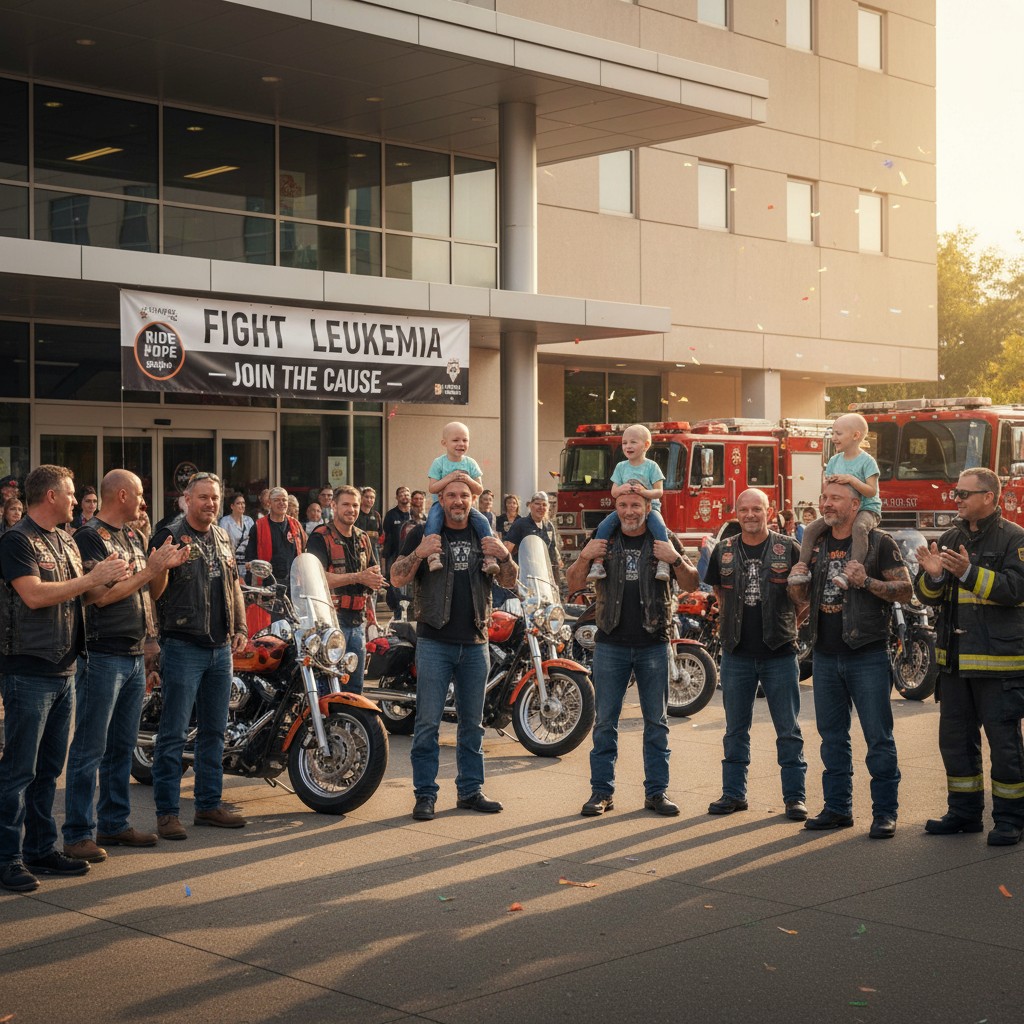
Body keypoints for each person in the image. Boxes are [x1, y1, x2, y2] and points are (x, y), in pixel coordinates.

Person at [0, 464, 130, 893]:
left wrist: (114, 576)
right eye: (71, 494)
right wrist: (91, 579)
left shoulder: (65, 541)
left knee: (47, 770)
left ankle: (40, 849)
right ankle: (7, 857)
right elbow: (34, 595)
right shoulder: (16, 540)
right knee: (18, 771)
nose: (78, 501)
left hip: (66, 668)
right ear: (51, 496)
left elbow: (89, 594)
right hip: (28, 671)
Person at [62, 470, 189, 863]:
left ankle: (114, 823)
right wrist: (149, 571)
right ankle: (78, 833)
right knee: (90, 747)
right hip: (102, 654)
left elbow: (154, 591)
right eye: (139, 494)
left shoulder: (132, 536)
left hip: (133, 653)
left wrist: (163, 566)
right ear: (121, 494)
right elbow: (101, 596)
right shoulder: (88, 536)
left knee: (121, 746)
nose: (143, 502)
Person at [788, 481, 911, 838]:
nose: (826, 504)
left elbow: (906, 589)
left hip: (867, 654)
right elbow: (800, 596)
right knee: (832, 739)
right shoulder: (817, 542)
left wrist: (866, 581)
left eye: (835, 499)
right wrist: (796, 580)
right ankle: (838, 808)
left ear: (856, 505)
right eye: (824, 497)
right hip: (825, 656)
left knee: (878, 739)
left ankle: (885, 813)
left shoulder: (879, 542)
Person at [390, 479, 518, 821]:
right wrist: (419, 552)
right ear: (441, 500)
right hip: (434, 642)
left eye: (464, 495)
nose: (458, 501)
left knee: (472, 725)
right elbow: (397, 577)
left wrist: (504, 555)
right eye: (451, 496)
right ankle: (425, 795)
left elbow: (509, 580)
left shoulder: (483, 533)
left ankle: (470, 791)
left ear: (473, 499)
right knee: (428, 723)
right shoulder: (421, 534)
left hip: (476, 643)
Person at [567, 490, 698, 818]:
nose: (629, 511)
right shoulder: (603, 539)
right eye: (623, 505)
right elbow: (572, 582)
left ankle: (656, 793)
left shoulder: (663, 539)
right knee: (605, 723)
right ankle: (602, 793)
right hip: (610, 643)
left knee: (656, 723)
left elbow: (693, 582)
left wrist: (675, 558)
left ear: (648, 507)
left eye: (635, 505)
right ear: (617, 508)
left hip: (653, 642)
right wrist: (585, 556)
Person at [915, 469, 1024, 846]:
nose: (956, 498)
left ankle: (1011, 819)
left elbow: (1015, 589)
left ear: (990, 497)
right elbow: (929, 597)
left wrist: (968, 572)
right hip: (955, 663)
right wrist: (931, 578)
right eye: (954, 492)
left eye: (964, 493)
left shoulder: (1015, 539)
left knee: (1005, 747)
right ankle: (963, 813)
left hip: (999, 664)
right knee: (956, 743)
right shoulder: (949, 537)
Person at [148, 471, 248, 840]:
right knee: (173, 734)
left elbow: (233, 584)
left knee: (214, 732)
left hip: (220, 649)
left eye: (215, 498)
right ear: (186, 499)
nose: (210, 503)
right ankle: (167, 813)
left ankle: (208, 805)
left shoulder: (223, 536)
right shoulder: (169, 535)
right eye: (203, 497)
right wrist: (163, 566)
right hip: (182, 646)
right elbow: (153, 591)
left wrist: (240, 627)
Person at [702, 489, 807, 820]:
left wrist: (788, 624)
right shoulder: (724, 550)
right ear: (736, 512)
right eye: (744, 510)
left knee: (788, 729)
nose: (750, 515)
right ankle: (733, 794)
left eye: (756, 509)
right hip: (736, 655)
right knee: (735, 728)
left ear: (769, 511)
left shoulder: (788, 548)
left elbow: (805, 599)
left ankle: (795, 798)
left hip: (779, 653)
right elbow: (719, 591)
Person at [307, 486, 385, 693]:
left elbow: (372, 575)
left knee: (355, 687)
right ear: (333, 506)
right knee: (328, 686)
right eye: (346, 505)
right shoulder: (320, 536)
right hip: (330, 621)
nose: (351, 509)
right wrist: (359, 576)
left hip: (358, 621)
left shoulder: (363, 538)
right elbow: (317, 578)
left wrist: (375, 581)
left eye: (355, 505)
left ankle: (352, 726)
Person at [790, 413, 880, 591]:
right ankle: (801, 569)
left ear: (856, 436)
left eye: (838, 434)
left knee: (859, 528)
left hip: (867, 509)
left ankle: (851, 572)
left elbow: (871, 491)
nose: (833, 438)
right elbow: (828, 486)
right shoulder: (833, 461)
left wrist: (850, 479)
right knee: (810, 530)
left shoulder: (867, 461)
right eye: (832, 434)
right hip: (841, 511)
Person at [587, 424, 672, 583]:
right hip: (625, 510)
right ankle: (598, 563)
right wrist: (622, 488)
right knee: (604, 526)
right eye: (624, 443)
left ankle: (664, 563)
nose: (628, 446)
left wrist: (644, 492)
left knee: (660, 528)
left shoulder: (652, 466)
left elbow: (659, 492)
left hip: (650, 509)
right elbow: (613, 492)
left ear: (646, 445)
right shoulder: (620, 467)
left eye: (633, 442)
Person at [423, 421, 498, 575]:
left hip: (465, 507)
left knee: (483, 521)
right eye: (455, 440)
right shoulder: (439, 463)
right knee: (432, 522)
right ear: (444, 443)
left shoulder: (471, 463)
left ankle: (489, 557)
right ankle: (433, 555)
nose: (461, 444)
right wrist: (449, 478)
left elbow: (479, 488)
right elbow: (432, 488)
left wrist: (467, 479)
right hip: (441, 505)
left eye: (465, 440)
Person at [244, 486, 305, 590]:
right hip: (267, 584)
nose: (281, 503)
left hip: (293, 584)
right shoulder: (258, 526)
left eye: (284, 500)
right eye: (277, 500)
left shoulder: (296, 525)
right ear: (269, 503)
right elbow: (250, 558)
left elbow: (303, 552)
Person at [504, 491, 563, 589]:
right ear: (530, 505)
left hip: (543, 576)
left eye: (544, 505)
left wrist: (556, 583)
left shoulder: (549, 526)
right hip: (524, 575)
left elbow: (553, 554)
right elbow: (507, 550)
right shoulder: (520, 524)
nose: (541, 507)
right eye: (537, 504)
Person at [381, 486, 412, 617]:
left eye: (407, 493)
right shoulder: (391, 515)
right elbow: (385, 535)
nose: (404, 496)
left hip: (411, 555)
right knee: (393, 583)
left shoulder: (413, 515)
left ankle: (409, 610)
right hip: (393, 554)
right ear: (397, 497)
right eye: (401, 494)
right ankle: (396, 610)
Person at [219, 493, 254, 576]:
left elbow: (253, 541)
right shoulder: (225, 521)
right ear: (232, 506)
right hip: (232, 561)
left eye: (243, 503)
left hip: (247, 561)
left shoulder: (249, 521)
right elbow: (222, 543)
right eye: (238, 503)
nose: (242, 506)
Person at [356, 486, 383, 565]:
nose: (369, 500)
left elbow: (380, 533)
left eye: (372, 497)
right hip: (358, 548)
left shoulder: (376, 515)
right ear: (361, 498)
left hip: (373, 548)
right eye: (367, 497)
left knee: (375, 572)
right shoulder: (356, 514)